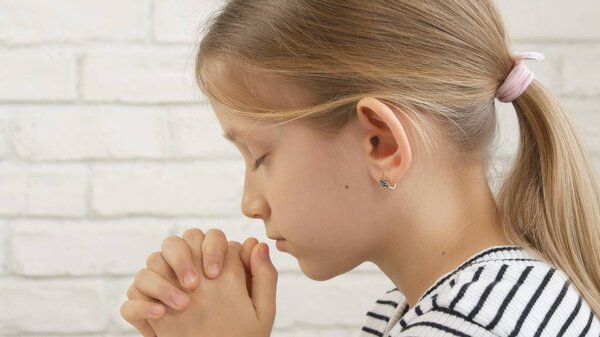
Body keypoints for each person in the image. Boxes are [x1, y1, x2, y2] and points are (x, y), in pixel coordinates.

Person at [120, 0, 600, 336]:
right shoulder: (431, 307)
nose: (250, 203)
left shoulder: (476, 324)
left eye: (260, 157)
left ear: (382, 143)